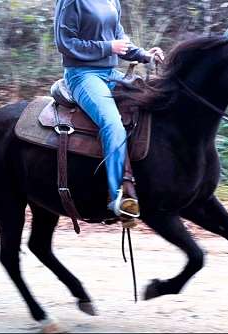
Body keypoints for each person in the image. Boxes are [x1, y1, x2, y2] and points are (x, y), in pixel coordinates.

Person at [54, 0, 164, 218]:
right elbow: (64, 43)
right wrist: (107, 47)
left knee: (150, 106)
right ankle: (119, 197)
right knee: (113, 125)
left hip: (110, 72)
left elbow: (120, 40)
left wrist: (145, 56)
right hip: (82, 74)